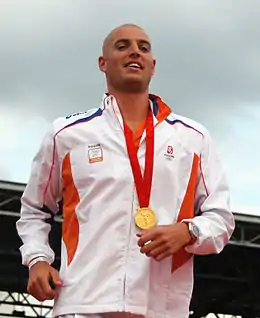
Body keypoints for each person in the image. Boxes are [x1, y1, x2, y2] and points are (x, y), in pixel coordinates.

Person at [16, 24, 235, 318]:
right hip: (82, 305)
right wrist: (38, 259)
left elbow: (220, 217)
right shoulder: (67, 134)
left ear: (153, 66)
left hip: (162, 308)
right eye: (122, 46)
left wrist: (188, 231)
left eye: (143, 47)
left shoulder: (192, 138)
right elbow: (35, 209)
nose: (135, 51)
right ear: (102, 63)